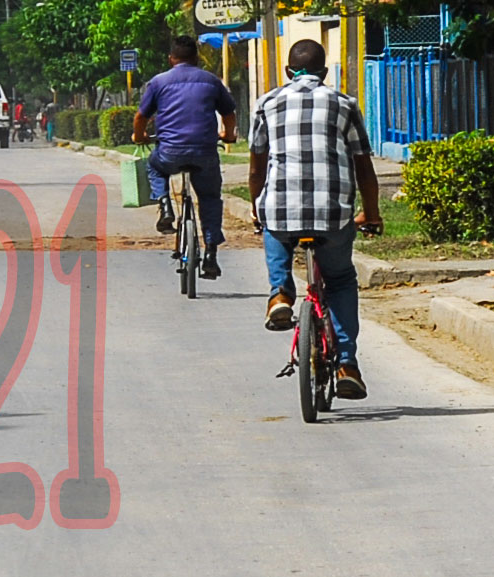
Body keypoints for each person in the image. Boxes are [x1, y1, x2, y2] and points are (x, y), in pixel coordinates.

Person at [248, 39, 382, 399]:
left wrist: (256, 207)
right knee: (339, 279)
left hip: (282, 209)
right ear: (324, 73)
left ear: (288, 72)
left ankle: (279, 295)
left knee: (273, 223)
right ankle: (347, 365)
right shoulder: (344, 103)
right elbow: (363, 167)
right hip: (333, 212)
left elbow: (257, 165)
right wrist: (371, 212)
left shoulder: (267, 103)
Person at [132, 36, 237, 279]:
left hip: (169, 152)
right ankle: (210, 252)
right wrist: (228, 135)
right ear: (197, 58)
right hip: (205, 152)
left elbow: (140, 117)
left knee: (155, 167)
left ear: (171, 59)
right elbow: (229, 112)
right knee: (210, 197)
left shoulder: (158, 82)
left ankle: (164, 203)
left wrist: (140, 137)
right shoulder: (212, 81)